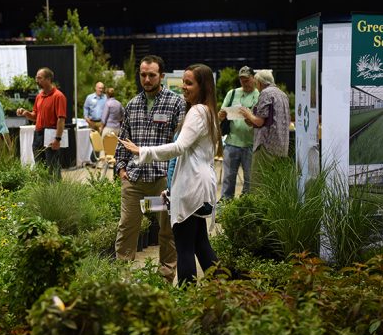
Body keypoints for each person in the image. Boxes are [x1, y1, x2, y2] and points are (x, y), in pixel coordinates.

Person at [120, 63, 223, 286]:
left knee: (185, 247)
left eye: (189, 83)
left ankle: (186, 302)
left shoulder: (197, 111)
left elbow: (178, 148)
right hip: (197, 185)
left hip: (191, 188)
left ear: (202, 86)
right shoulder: (207, 110)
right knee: (200, 246)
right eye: (183, 82)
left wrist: (142, 151)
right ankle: (227, 290)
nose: (184, 87)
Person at [114, 55, 185, 284]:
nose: (147, 79)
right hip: (134, 179)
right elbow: (122, 140)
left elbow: (182, 142)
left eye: (152, 75)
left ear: (161, 76)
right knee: (127, 228)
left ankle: (165, 277)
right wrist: (121, 169)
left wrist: (175, 176)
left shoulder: (176, 103)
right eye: (143, 74)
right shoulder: (132, 104)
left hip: (162, 179)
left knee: (167, 231)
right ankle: (122, 278)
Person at [239, 69, 291, 190]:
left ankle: (259, 209)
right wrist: (251, 119)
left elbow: (260, 121)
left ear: (260, 82)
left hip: (266, 145)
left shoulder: (266, 93)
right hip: (281, 147)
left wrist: (247, 114)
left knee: (259, 184)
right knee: (273, 184)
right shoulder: (282, 94)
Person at [16, 67, 66, 179]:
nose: (37, 80)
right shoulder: (39, 96)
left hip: (50, 134)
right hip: (38, 134)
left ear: (48, 79)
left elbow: (61, 119)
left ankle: (55, 193)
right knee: (40, 167)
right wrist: (25, 113)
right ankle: (43, 192)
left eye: (39, 78)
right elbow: (35, 116)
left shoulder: (58, 96)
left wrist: (57, 139)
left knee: (52, 168)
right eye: (36, 78)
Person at [218, 66, 259, 200]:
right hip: (231, 142)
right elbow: (221, 113)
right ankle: (224, 207)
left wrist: (251, 120)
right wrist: (222, 115)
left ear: (253, 78)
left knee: (250, 180)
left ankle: (245, 207)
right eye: (241, 80)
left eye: (246, 79)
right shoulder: (232, 93)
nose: (244, 82)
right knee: (228, 179)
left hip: (251, 144)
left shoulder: (260, 95)